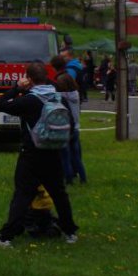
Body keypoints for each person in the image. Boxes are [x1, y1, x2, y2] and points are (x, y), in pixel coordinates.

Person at [0, 62, 78, 247]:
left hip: (31, 154)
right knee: (59, 194)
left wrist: (16, 88)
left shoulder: (29, 100)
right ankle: (70, 232)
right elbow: (69, 122)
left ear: (28, 79)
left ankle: (6, 237)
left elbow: (0, 105)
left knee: (22, 195)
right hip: (54, 152)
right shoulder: (58, 97)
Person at [52, 55, 86, 185]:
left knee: (64, 156)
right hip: (76, 127)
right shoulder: (75, 94)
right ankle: (83, 177)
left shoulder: (61, 95)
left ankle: (68, 178)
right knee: (76, 156)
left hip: (65, 127)